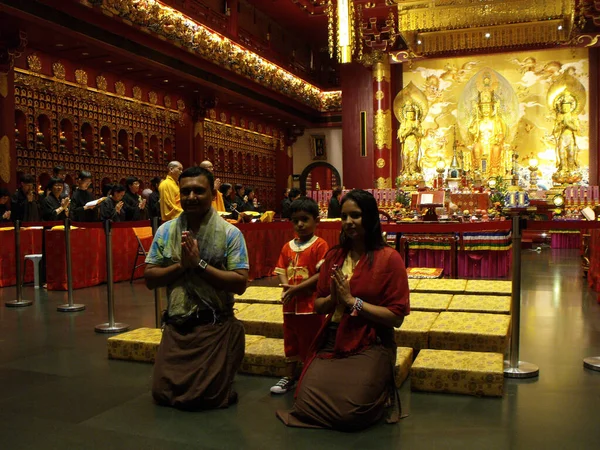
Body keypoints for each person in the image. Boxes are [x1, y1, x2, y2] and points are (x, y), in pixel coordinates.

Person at [277, 189, 410, 431]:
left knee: (352, 412)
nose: (348, 222)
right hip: (333, 338)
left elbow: (397, 317)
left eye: (356, 216)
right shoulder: (335, 256)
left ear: (370, 218)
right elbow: (319, 305)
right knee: (304, 403)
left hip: (371, 341)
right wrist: (334, 300)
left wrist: (353, 302)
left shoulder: (389, 258)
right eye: (344, 217)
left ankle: (380, 390)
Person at [144, 166, 249, 410]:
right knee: (162, 393)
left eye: (198, 191)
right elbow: (150, 278)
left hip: (214, 325)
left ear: (212, 194)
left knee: (207, 396)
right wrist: (182, 265)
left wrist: (199, 265)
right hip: (177, 326)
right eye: (186, 191)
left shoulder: (230, 233)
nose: (191, 197)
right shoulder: (166, 231)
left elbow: (241, 283)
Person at [272, 197, 329, 394]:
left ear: (316, 220)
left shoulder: (319, 245)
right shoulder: (288, 246)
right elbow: (280, 269)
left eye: (305, 219)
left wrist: (296, 289)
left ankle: (309, 376)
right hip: (290, 304)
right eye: (295, 220)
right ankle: (289, 376)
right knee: (291, 339)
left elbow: (322, 274)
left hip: (310, 305)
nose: (300, 224)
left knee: (310, 339)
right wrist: (287, 286)